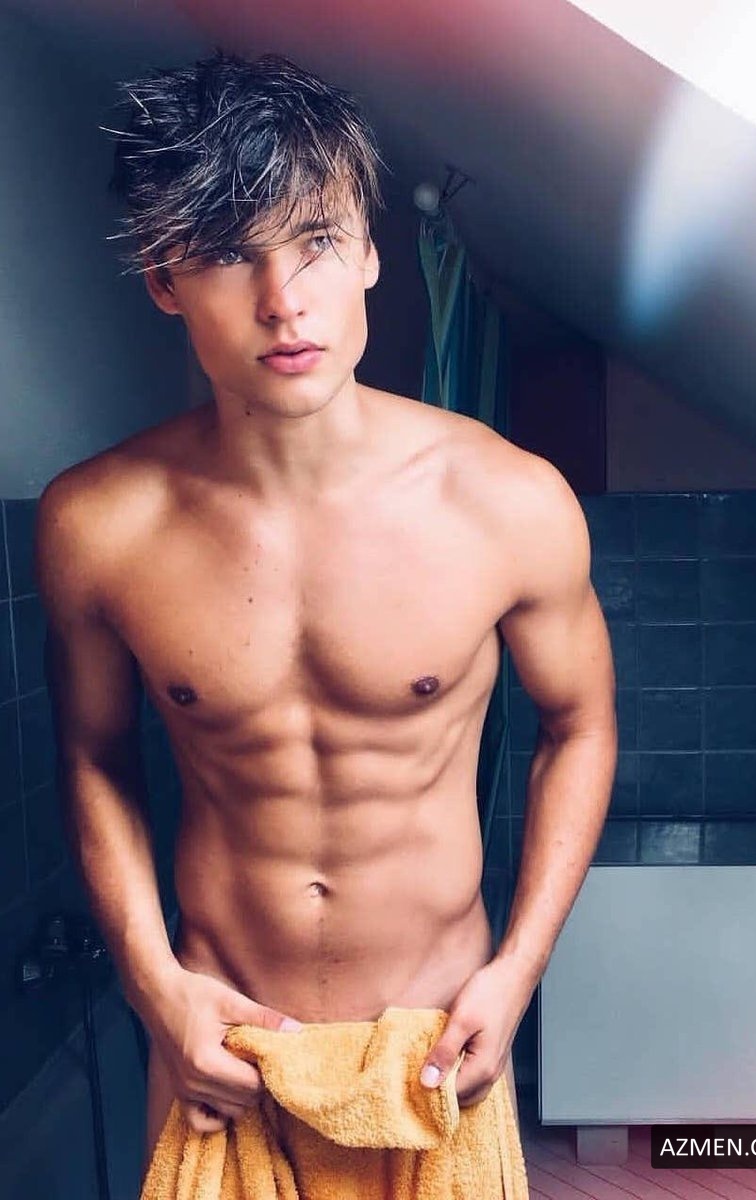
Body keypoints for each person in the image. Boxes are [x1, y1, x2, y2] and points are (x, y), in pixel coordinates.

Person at [35, 49, 617, 1177]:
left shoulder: (508, 501)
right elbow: (94, 758)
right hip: (221, 1043)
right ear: (163, 279)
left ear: (369, 254)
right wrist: (155, 988)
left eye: (314, 241)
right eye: (225, 253)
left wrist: (520, 969)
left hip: (434, 1039)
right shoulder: (98, 525)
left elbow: (581, 725)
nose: (282, 300)